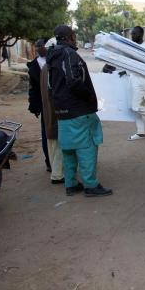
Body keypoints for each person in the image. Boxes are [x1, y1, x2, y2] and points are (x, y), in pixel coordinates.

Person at [47, 25, 112, 197]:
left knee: (68, 149)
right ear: (70, 37)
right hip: (79, 110)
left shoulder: (52, 57)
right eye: (74, 36)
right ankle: (91, 185)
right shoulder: (69, 54)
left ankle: (71, 184)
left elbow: (51, 86)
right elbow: (74, 81)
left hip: (62, 112)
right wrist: (90, 98)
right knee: (87, 147)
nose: (75, 39)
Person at [40, 38, 64, 184]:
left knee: (53, 145)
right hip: (56, 113)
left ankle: (56, 173)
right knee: (58, 145)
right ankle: (58, 175)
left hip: (49, 112)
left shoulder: (45, 67)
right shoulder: (52, 68)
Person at [27, 38, 51, 172]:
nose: (38, 48)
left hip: (58, 103)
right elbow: (32, 89)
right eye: (36, 47)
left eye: (40, 46)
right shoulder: (34, 66)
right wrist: (34, 107)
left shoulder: (53, 60)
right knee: (46, 133)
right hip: (44, 105)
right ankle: (49, 161)